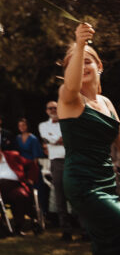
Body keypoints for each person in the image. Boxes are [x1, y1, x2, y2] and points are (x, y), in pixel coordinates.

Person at [57, 22, 120, 253]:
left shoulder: (107, 104)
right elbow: (72, 86)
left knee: (108, 245)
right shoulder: (68, 98)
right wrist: (80, 44)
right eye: (75, 62)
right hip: (83, 184)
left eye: (87, 61)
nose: (82, 66)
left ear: (99, 66)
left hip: (108, 182)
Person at [0, 137, 41, 235]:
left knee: (21, 195)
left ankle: (19, 225)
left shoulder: (12, 156)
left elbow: (32, 165)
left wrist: (31, 179)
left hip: (15, 186)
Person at [39, 99, 75, 239]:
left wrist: (59, 139)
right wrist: (59, 139)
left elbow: (70, 138)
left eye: (55, 108)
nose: (53, 110)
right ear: (47, 111)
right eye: (50, 108)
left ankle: (84, 228)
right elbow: (50, 139)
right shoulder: (43, 125)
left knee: (76, 192)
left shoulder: (68, 121)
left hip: (72, 160)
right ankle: (66, 230)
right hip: (56, 162)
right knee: (60, 196)